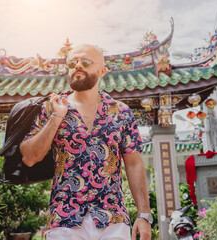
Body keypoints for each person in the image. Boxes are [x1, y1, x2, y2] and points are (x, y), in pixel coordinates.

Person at [20, 44, 152, 240]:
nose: (78, 65)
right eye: (73, 62)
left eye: (86, 61)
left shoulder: (121, 112)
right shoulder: (52, 107)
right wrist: (56, 117)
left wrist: (144, 214)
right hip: (64, 219)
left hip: (112, 219)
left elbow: (133, 164)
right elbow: (29, 157)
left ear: (102, 71)